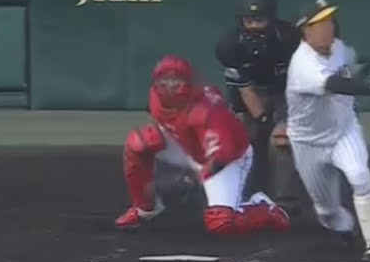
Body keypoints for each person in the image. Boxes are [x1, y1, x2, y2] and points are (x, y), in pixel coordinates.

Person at [115, 55, 293, 235]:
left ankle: (263, 208)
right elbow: (159, 120)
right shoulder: (154, 96)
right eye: (164, 81)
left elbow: (223, 153)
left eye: (176, 81)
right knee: (139, 143)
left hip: (229, 158)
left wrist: (195, 179)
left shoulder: (207, 110)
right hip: (187, 145)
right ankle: (144, 208)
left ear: (188, 82)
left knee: (220, 222)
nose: (169, 86)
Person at [284, 0, 370, 262]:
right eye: (320, 23)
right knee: (328, 212)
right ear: (306, 31)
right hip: (308, 143)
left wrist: (367, 69)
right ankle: (342, 225)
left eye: (329, 21)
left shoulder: (339, 48)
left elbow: (353, 64)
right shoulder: (302, 64)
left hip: (344, 132)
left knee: (359, 175)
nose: (327, 27)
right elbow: (334, 84)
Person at [215, 0, 306, 215]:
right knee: (250, 142)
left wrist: (286, 119)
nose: (254, 26)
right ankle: (250, 194)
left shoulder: (289, 38)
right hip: (252, 90)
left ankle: (286, 201)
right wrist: (262, 118)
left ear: (271, 19)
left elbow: (301, 78)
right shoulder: (230, 45)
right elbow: (245, 88)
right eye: (249, 21)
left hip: (288, 88)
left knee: (284, 140)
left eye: (260, 20)